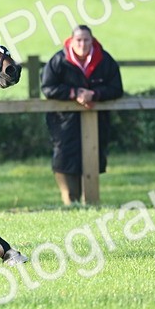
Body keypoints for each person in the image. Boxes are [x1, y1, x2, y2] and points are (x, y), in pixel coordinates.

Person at [41, 25, 123, 205]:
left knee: (95, 156)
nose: (83, 44)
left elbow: (116, 89)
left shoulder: (105, 60)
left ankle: (91, 202)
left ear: (92, 41)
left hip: (98, 121)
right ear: (72, 40)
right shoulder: (58, 60)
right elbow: (48, 88)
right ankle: (70, 202)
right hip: (64, 122)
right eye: (79, 40)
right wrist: (74, 93)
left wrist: (95, 94)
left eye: (86, 40)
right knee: (65, 158)